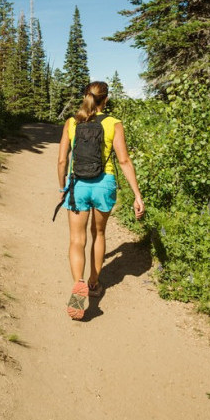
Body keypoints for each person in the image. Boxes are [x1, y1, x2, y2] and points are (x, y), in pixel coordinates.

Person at [57, 81, 144, 320]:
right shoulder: (113, 123)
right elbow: (124, 161)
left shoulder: (72, 123)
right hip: (104, 184)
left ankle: (79, 285)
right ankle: (94, 284)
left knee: (77, 239)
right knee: (99, 234)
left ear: (86, 97)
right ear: (105, 100)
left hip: (78, 184)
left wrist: (62, 186)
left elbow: (62, 161)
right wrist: (137, 194)